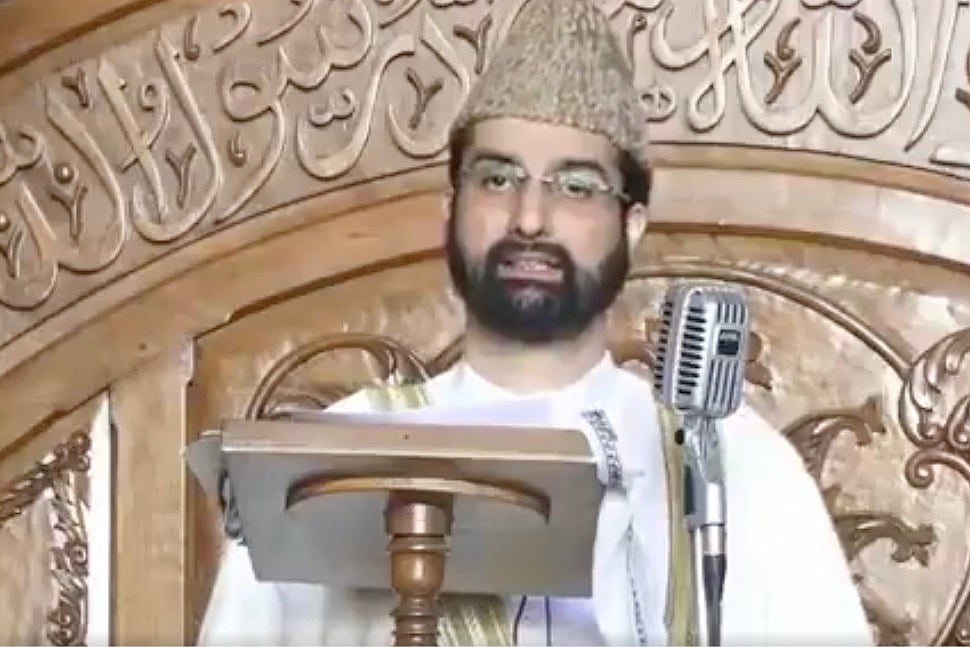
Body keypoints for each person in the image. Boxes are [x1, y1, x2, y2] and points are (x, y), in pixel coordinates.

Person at [197, 0, 873, 644]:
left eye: (576, 186)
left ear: (632, 225)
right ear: (451, 206)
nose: (528, 217)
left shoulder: (733, 467)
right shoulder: (324, 466)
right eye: (497, 178)